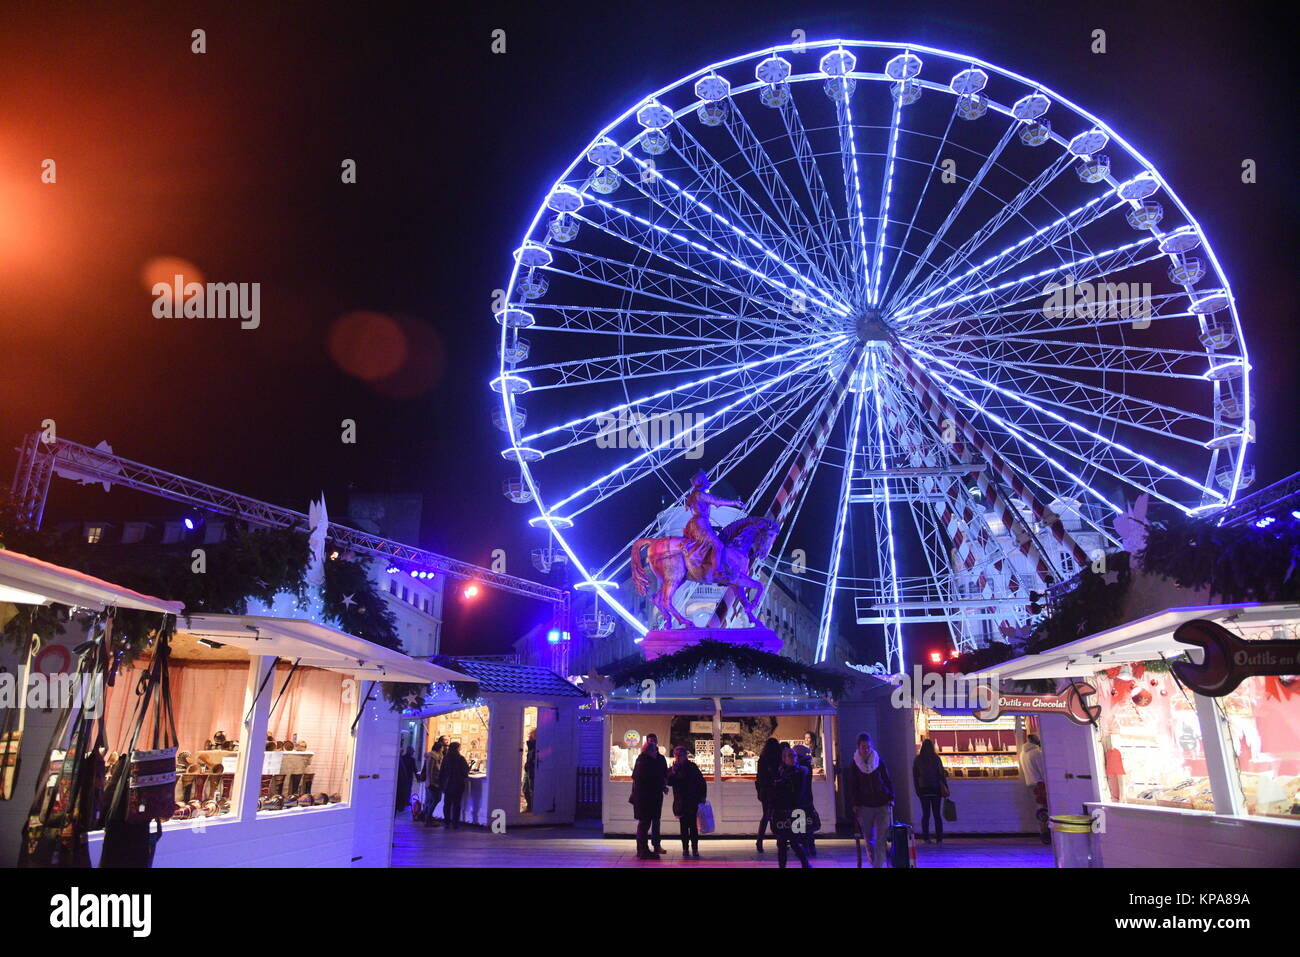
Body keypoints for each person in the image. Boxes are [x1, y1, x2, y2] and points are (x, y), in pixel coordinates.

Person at [681, 471, 745, 580]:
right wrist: (734, 503)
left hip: (695, 523)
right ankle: (717, 571)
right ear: (700, 481)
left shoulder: (692, 495)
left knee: (710, 543)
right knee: (718, 545)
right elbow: (717, 501)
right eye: (705, 479)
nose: (707, 482)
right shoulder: (699, 494)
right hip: (700, 523)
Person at [844, 732, 894, 867]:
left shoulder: (879, 762)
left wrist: (891, 796)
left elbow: (887, 780)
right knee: (868, 840)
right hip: (865, 806)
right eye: (863, 747)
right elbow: (853, 786)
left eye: (868, 746)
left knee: (880, 839)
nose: (866, 749)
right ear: (858, 747)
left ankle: (878, 865)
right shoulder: (855, 765)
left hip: (882, 803)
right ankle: (874, 862)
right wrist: (854, 803)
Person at [629, 733, 668, 860]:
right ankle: (643, 850)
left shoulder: (645, 760)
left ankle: (644, 849)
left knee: (645, 823)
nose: (655, 753)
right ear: (649, 751)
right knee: (644, 823)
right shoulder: (645, 761)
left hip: (648, 798)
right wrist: (661, 783)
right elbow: (650, 778)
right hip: (647, 798)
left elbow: (661, 774)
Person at [770, 744, 811, 868]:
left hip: (796, 810)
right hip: (782, 811)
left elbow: (799, 791)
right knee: (782, 843)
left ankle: (805, 863)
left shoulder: (800, 772)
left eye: (793, 756)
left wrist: (783, 785)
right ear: (784, 758)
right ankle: (783, 866)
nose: (792, 758)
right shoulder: (780, 772)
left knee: (794, 842)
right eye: (789, 756)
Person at [666, 746, 707, 858]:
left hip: (692, 799)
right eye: (676, 755)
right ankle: (685, 848)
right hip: (680, 801)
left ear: (685, 756)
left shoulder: (692, 767)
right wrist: (673, 771)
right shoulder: (674, 768)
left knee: (693, 826)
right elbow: (668, 782)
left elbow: (701, 782)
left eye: (680, 755)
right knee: (683, 826)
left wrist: (702, 796)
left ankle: (695, 848)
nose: (678, 757)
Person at [912, 738, 949, 844]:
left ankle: (926, 837)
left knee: (926, 815)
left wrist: (917, 789)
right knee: (937, 815)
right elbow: (941, 774)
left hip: (923, 790)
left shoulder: (918, 760)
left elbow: (915, 776)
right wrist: (946, 788)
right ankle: (939, 838)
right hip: (936, 789)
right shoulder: (936, 759)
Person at [1019, 732, 1050, 844]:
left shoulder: (1023, 753)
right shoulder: (1036, 753)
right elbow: (1043, 770)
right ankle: (1046, 832)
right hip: (1040, 782)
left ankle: (1042, 831)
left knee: (1040, 809)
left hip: (1031, 783)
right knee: (1045, 808)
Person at [754, 737, 781, 853]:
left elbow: (759, 777)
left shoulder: (762, 759)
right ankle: (780, 840)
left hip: (765, 791)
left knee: (766, 815)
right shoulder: (778, 759)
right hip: (776, 790)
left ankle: (760, 840)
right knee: (778, 815)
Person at [793, 743, 818, 857]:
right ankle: (810, 846)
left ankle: (805, 847)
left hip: (801, 799)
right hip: (807, 798)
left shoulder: (801, 767)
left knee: (801, 824)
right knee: (807, 824)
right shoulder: (807, 765)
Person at [439, 741, 470, 829]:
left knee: (447, 804)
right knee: (456, 804)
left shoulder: (446, 758)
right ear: (457, 748)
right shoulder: (461, 759)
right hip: (458, 784)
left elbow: (442, 772)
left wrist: (441, 783)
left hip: (447, 784)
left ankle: (447, 822)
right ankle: (455, 822)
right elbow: (465, 772)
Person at [421, 736, 447, 825]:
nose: (443, 750)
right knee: (435, 799)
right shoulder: (433, 757)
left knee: (433, 799)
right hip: (433, 782)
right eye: (442, 748)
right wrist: (431, 782)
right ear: (439, 748)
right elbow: (430, 770)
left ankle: (428, 816)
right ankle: (428, 818)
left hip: (435, 782)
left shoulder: (438, 757)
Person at [395, 745, 418, 816]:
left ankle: (403, 802)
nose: (413, 753)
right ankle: (405, 802)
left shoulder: (403, 758)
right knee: (407, 790)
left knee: (403, 790)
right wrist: (417, 777)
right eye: (412, 751)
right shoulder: (412, 760)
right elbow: (415, 769)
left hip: (403, 778)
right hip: (408, 777)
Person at [523, 729, 537, 812]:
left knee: (532, 789)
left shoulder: (537, 745)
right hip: (528, 769)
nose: (528, 736)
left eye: (530, 734)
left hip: (533, 770)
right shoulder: (531, 745)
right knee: (525, 788)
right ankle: (530, 807)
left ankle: (532, 808)